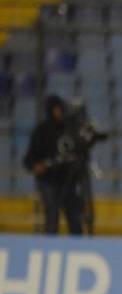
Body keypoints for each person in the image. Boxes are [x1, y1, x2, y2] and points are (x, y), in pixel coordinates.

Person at [23, 95, 83, 235]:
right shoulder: (41, 131)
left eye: (61, 108)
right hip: (49, 181)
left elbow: (80, 151)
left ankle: (79, 249)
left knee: (74, 219)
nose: (60, 111)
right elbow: (29, 158)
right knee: (52, 216)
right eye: (57, 108)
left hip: (68, 180)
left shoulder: (69, 129)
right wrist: (35, 166)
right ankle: (50, 247)